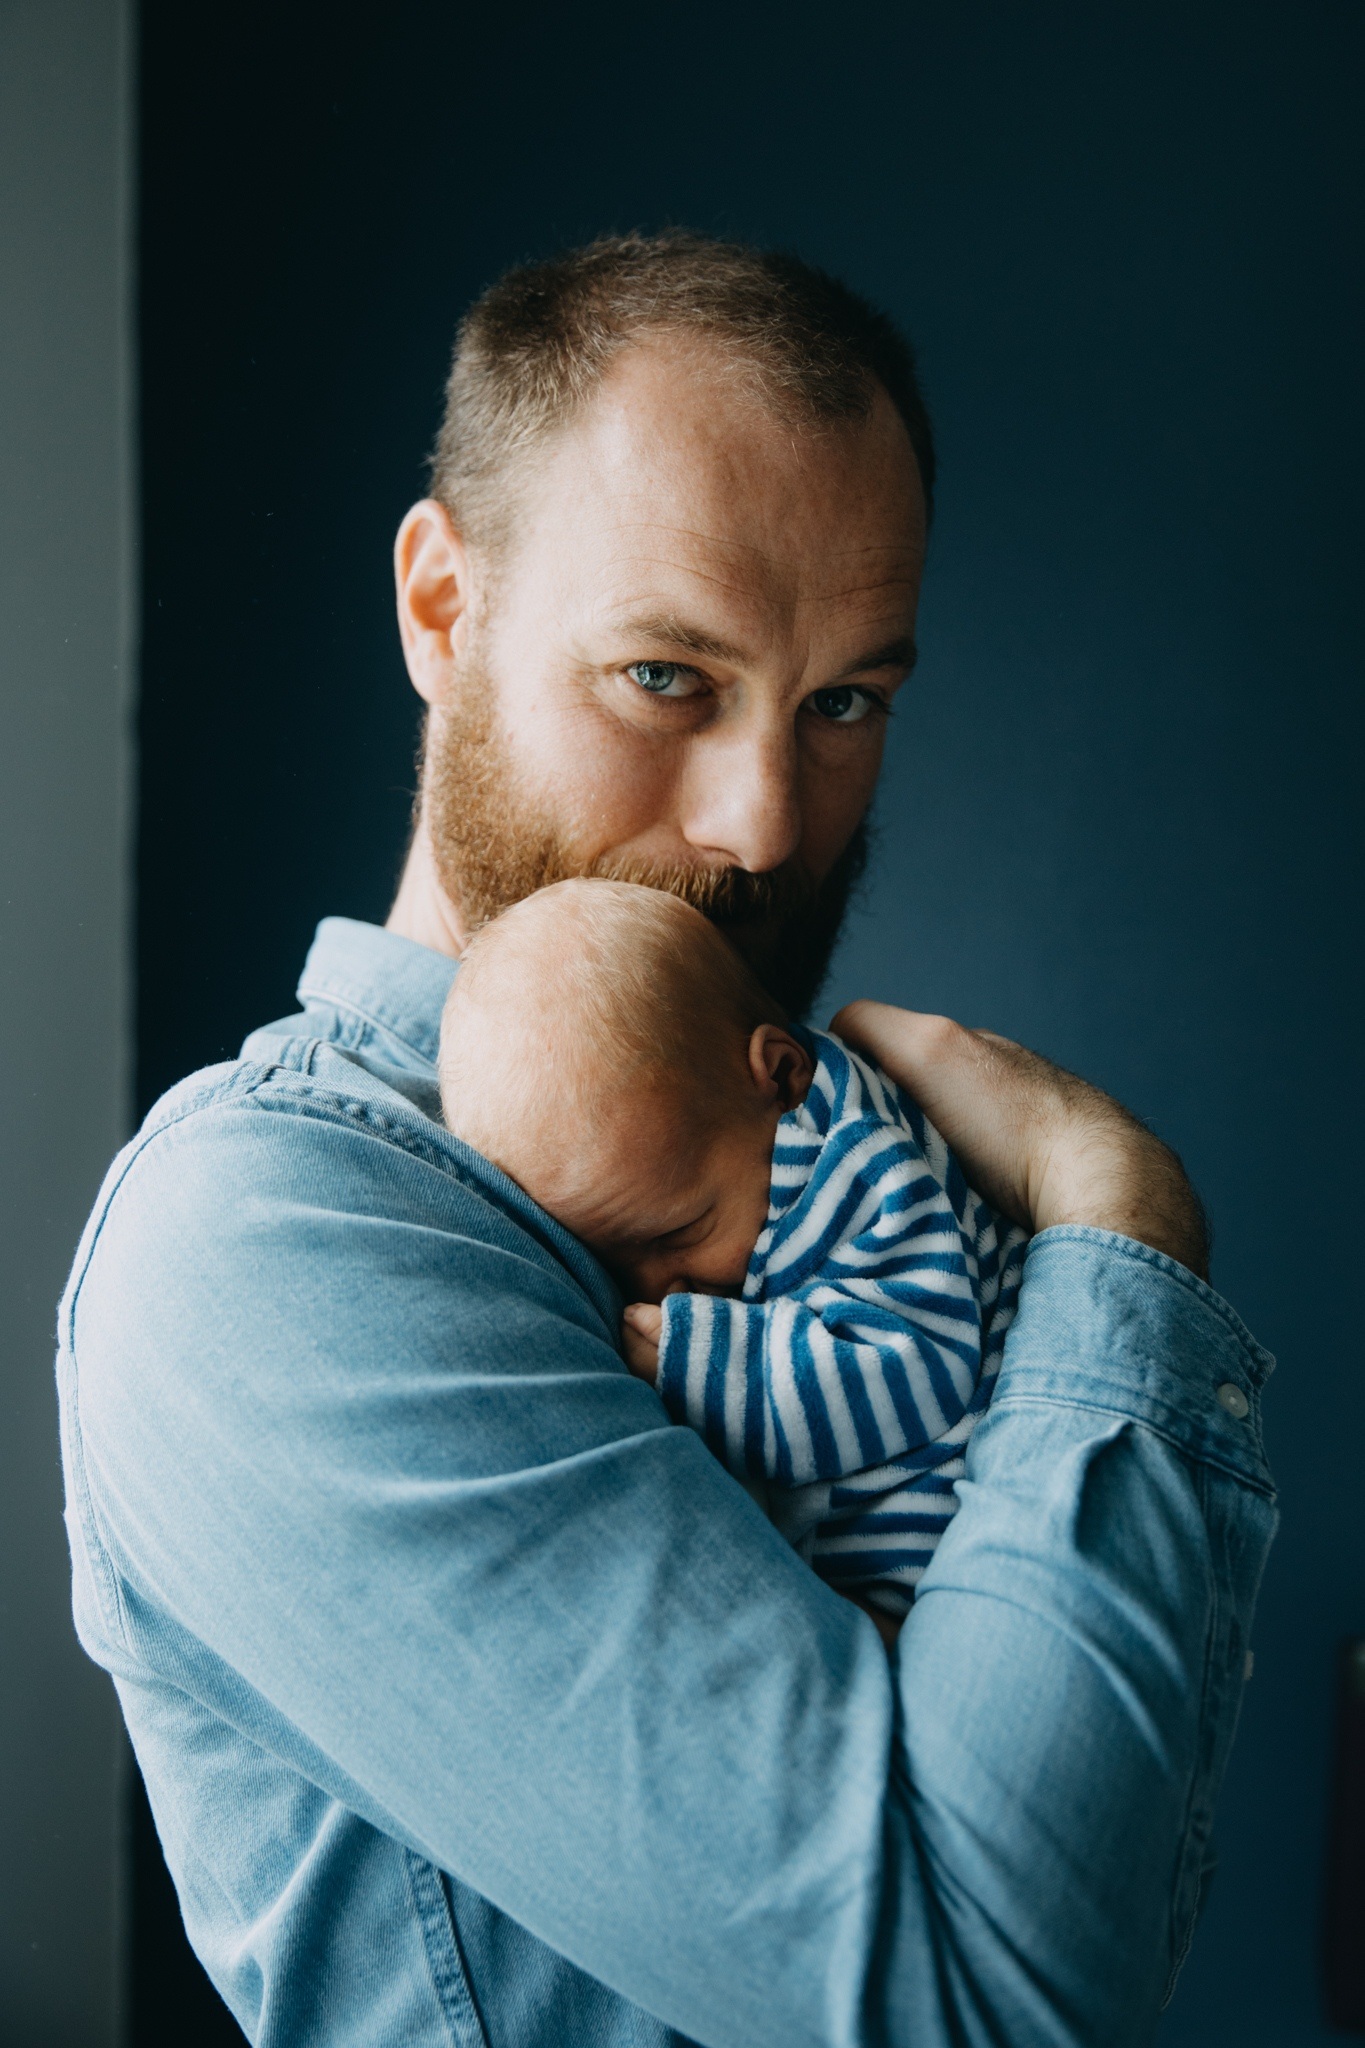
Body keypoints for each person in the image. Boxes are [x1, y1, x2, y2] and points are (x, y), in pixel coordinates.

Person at [58, 233, 1277, 2048]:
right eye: (665, 677)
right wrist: (1123, 1218)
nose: (765, 823)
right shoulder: (267, 1232)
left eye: (846, 699)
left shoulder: (836, 1144)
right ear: (441, 610)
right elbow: (988, 2011)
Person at [438, 875, 1029, 1624]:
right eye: (620, 1264)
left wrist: (710, 1361)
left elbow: (917, 1369)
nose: (661, 1289)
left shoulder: (860, 1167)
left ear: (779, 1078)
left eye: (679, 1232)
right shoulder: (748, 1153)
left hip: (962, 1547)